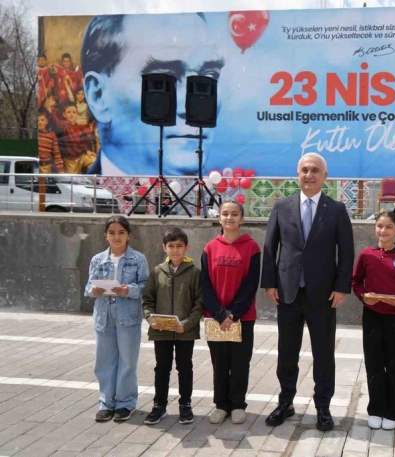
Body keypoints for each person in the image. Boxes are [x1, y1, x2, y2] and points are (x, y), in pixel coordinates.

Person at [261, 152, 355, 432]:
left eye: (315, 170)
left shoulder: (336, 209)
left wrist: (341, 287)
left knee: (323, 353)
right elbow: (270, 247)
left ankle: (323, 407)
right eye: (304, 170)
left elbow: (346, 252)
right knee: (287, 352)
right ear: (297, 174)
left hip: (323, 295)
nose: (309, 175)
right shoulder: (282, 206)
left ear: (325, 176)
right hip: (287, 293)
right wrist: (270, 283)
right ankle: (285, 402)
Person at [80, 13, 226, 176]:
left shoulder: (224, 190)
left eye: (210, 76)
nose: (196, 106)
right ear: (98, 96)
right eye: (161, 81)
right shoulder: (74, 191)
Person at [351, 211, 395, 431]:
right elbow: (356, 282)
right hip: (372, 316)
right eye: (380, 226)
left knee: (394, 364)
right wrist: (364, 297)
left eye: (389, 227)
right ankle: (376, 409)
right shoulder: (367, 255)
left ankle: (393, 412)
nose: (383, 231)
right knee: (373, 363)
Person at [201, 201, 261, 425]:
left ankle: (237, 404)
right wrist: (219, 314)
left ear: (241, 219)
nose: (229, 218)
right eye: (225, 214)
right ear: (219, 218)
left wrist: (233, 314)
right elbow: (205, 285)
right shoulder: (210, 248)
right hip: (215, 318)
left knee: (240, 362)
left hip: (242, 317)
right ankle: (221, 404)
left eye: (234, 214)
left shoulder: (252, 247)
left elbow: (250, 285)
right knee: (219, 362)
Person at [85, 215, 149, 422]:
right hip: (103, 317)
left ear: (128, 235)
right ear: (106, 235)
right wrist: (94, 290)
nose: (117, 237)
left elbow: (146, 287)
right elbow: (88, 286)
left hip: (128, 317)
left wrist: (128, 290)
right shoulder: (97, 259)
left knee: (127, 360)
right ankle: (106, 403)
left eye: (121, 232)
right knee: (104, 361)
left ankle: (125, 402)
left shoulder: (138, 259)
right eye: (112, 233)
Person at [142, 227, 203, 425]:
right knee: (162, 368)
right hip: (161, 331)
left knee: (185, 367)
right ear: (164, 248)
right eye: (171, 246)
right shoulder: (156, 272)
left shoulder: (194, 273)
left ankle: (185, 404)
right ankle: (159, 405)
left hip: (185, 332)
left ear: (186, 247)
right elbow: (147, 300)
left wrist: (186, 324)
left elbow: (199, 304)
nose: (175, 250)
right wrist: (152, 320)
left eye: (179, 246)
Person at [45, 101, 96, 174]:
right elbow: (57, 123)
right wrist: (51, 112)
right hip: (70, 161)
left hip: (81, 156)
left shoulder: (79, 127)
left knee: (94, 160)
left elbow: (82, 142)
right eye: (68, 112)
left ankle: (90, 179)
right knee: (73, 178)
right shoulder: (63, 125)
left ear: (77, 114)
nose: (71, 114)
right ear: (64, 114)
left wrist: (87, 151)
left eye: (74, 112)